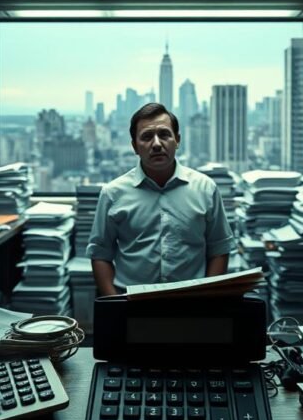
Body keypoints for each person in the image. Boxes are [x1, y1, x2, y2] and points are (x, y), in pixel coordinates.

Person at [86, 102, 234, 296]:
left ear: (177, 140)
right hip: (129, 304)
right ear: (134, 146)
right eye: (147, 137)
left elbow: (219, 248)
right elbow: (100, 254)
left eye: (164, 134)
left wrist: (207, 300)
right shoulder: (113, 193)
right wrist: (114, 304)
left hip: (192, 305)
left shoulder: (205, 189)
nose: (156, 144)